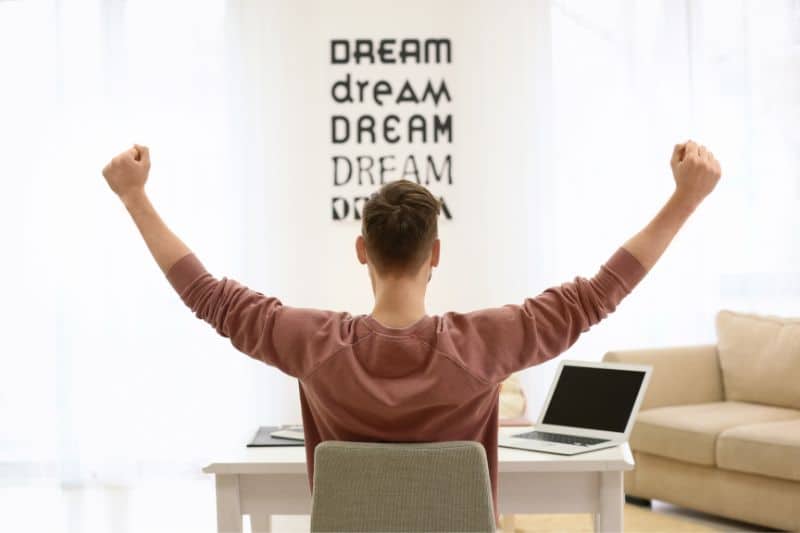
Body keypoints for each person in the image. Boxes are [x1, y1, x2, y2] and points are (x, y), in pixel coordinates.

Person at [101, 141, 721, 521]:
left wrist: (135, 198)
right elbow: (598, 294)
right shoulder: (486, 344)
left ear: (361, 251)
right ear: (437, 255)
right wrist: (685, 200)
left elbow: (207, 295)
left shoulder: (313, 344)